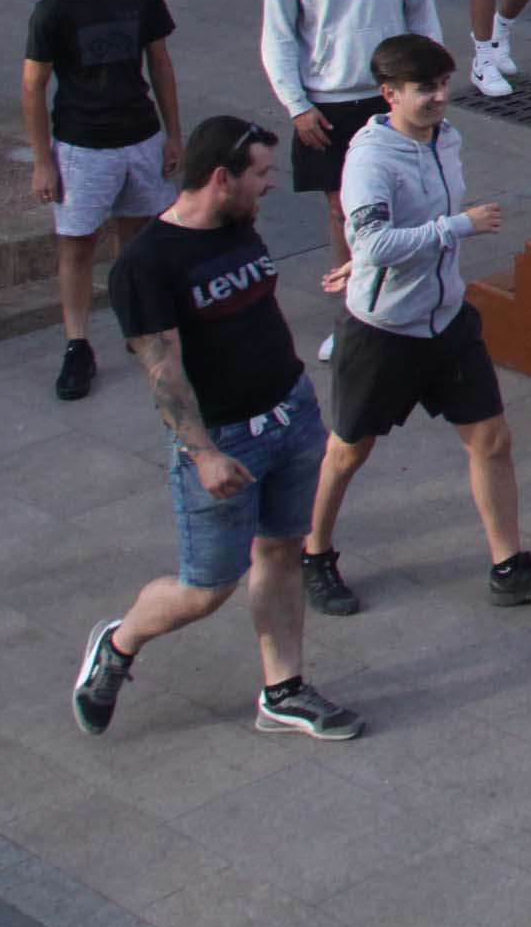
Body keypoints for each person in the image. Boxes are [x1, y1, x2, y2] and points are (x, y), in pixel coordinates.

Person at [69, 118, 365, 744]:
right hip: (226, 441)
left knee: (284, 550)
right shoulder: (147, 264)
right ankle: (119, 645)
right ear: (221, 178)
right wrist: (201, 452)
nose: (270, 185)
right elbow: (162, 370)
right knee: (206, 588)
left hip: (292, 413)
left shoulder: (239, 226)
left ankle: (283, 691)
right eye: (260, 173)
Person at [292, 34, 531, 620]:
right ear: (389, 94)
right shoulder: (370, 157)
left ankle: (509, 568)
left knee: (492, 440)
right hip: (382, 330)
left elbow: (388, 236)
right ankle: (314, 556)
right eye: (426, 89)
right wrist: (456, 229)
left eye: (444, 85)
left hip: (446, 319)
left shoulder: (446, 138)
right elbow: (371, 238)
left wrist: (393, 249)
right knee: (349, 451)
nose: (440, 98)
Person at [259, 0, 443, 336]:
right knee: (345, 210)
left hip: (390, 96)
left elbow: (421, 9)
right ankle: (356, 316)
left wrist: (430, 85)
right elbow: (278, 33)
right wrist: (297, 104)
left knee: (410, 202)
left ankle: (416, 299)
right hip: (326, 102)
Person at [21, 0, 183, 404]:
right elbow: (33, 86)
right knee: (77, 245)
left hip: (140, 136)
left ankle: (137, 323)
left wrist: (173, 133)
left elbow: (159, 62)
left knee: (137, 239)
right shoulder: (53, 9)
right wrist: (44, 159)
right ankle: (76, 345)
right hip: (82, 146)